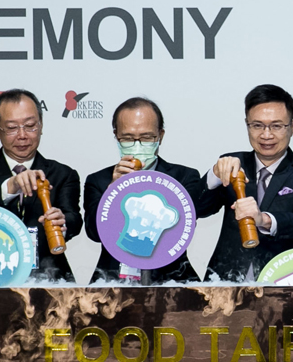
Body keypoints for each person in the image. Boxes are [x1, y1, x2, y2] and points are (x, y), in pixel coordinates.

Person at [201, 84, 293, 282]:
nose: (266, 135)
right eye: (257, 125)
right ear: (247, 125)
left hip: (283, 281)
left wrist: (263, 219)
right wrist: (214, 175)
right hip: (225, 281)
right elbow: (198, 210)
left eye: (276, 126)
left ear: (292, 127)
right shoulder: (233, 165)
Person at [0, 89, 81, 282]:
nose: (22, 135)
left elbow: (73, 218)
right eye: (12, 128)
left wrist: (62, 223)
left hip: (51, 278)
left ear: (41, 125)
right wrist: (9, 187)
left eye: (30, 126)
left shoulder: (63, 173)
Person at [84, 97, 209, 284]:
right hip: (112, 281)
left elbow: (182, 226)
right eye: (128, 138)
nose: (137, 145)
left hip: (173, 280)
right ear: (116, 136)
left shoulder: (184, 177)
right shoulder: (99, 180)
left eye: (146, 137)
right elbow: (94, 233)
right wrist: (113, 191)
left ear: (160, 136)